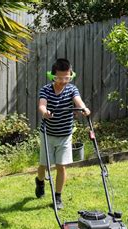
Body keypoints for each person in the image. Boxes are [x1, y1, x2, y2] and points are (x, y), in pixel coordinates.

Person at [35, 58, 90, 210]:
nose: (63, 81)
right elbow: (41, 105)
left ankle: (57, 197)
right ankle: (40, 181)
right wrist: (45, 112)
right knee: (44, 165)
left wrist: (84, 109)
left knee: (61, 166)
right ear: (53, 76)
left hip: (65, 135)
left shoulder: (72, 89)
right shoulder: (45, 89)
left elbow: (78, 101)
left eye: (67, 77)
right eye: (60, 78)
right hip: (48, 133)